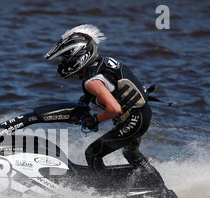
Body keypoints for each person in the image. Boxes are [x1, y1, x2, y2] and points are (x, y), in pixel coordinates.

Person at [45, 24, 158, 176]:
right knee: (131, 153)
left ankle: (103, 189)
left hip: (134, 120)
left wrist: (95, 120)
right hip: (142, 114)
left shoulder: (92, 81)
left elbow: (114, 109)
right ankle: (155, 183)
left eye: (65, 59)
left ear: (79, 56)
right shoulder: (103, 62)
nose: (63, 63)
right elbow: (113, 88)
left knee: (92, 153)